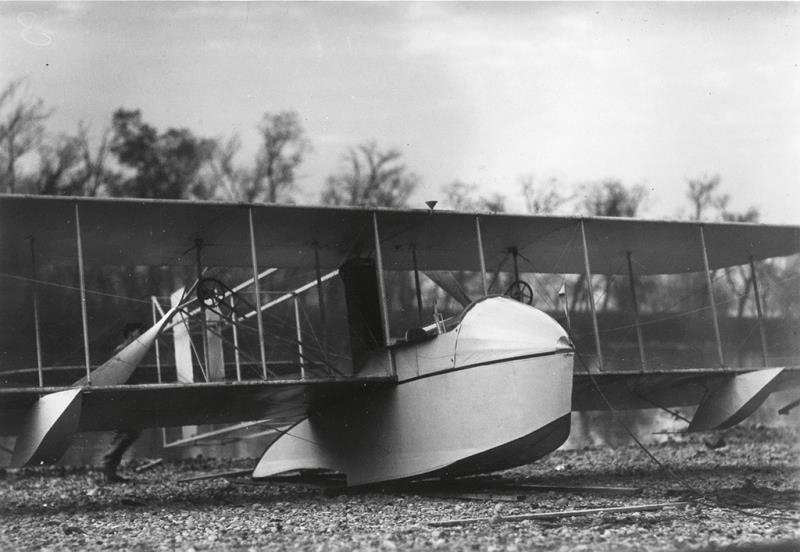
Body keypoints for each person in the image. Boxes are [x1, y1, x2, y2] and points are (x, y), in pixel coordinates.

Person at [100, 323, 144, 483]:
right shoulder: (122, 350)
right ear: (131, 333)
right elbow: (118, 374)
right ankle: (108, 464)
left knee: (127, 431)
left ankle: (109, 469)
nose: (141, 334)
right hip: (122, 397)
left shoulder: (133, 349)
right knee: (131, 431)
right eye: (139, 331)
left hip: (128, 396)